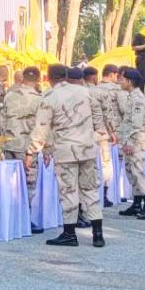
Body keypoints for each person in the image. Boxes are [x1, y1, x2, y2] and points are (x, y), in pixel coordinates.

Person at [27, 65, 107, 248]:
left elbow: (42, 127)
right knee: (90, 190)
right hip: (87, 149)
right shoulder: (86, 92)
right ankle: (98, 233)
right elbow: (99, 122)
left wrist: (32, 151)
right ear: (67, 76)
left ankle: (69, 233)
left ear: (49, 78)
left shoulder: (50, 97)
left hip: (65, 152)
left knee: (68, 192)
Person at [0, 65, 44, 234]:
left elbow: (2, 120)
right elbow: (40, 127)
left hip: (10, 144)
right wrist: (35, 150)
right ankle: (25, 219)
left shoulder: (10, 96)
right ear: (38, 79)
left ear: (23, 78)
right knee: (29, 184)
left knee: (11, 183)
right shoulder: (39, 99)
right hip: (27, 147)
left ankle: (11, 218)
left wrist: (5, 141)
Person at [117, 69, 145, 219]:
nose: (120, 81)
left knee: (138, 172)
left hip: (135, 142)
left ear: (130, 81)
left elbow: (136, 123)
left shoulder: (138, 98)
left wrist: (129, 142)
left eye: (122, 78)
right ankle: (137, 203)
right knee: (131, 172)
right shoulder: (131, 97)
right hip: (130, 141)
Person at [89, 65, 123, 206]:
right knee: (107, 163)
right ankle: (106, 192)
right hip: (108, 131)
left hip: (90, 132)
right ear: (113, 74)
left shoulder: (91, 90)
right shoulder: (118, 90)